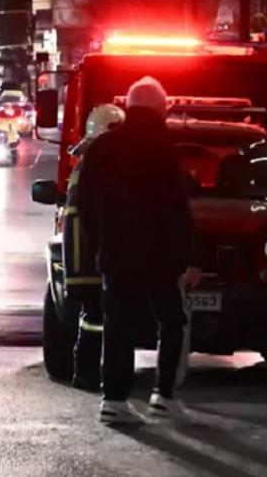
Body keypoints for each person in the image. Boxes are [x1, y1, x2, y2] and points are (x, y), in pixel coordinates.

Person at [77, 77, 202, 424]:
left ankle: (114, 399)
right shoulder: (163, 148)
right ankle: (164, 395)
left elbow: (84, 203)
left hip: (117, 254)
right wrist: (191, 257)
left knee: (118, 325)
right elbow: (177, 208)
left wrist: (99, 242)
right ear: (160, 108)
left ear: (129, 107)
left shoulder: (103, 147)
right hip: (160, 255)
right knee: (172, 321)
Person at [64, 104, 126, 392]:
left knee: (93, 317)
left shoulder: (86, 163)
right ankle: (90, 373)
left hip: (86, 261)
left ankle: (87, 372)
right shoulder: (99, 166)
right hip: (95, 259)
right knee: (98, 317)